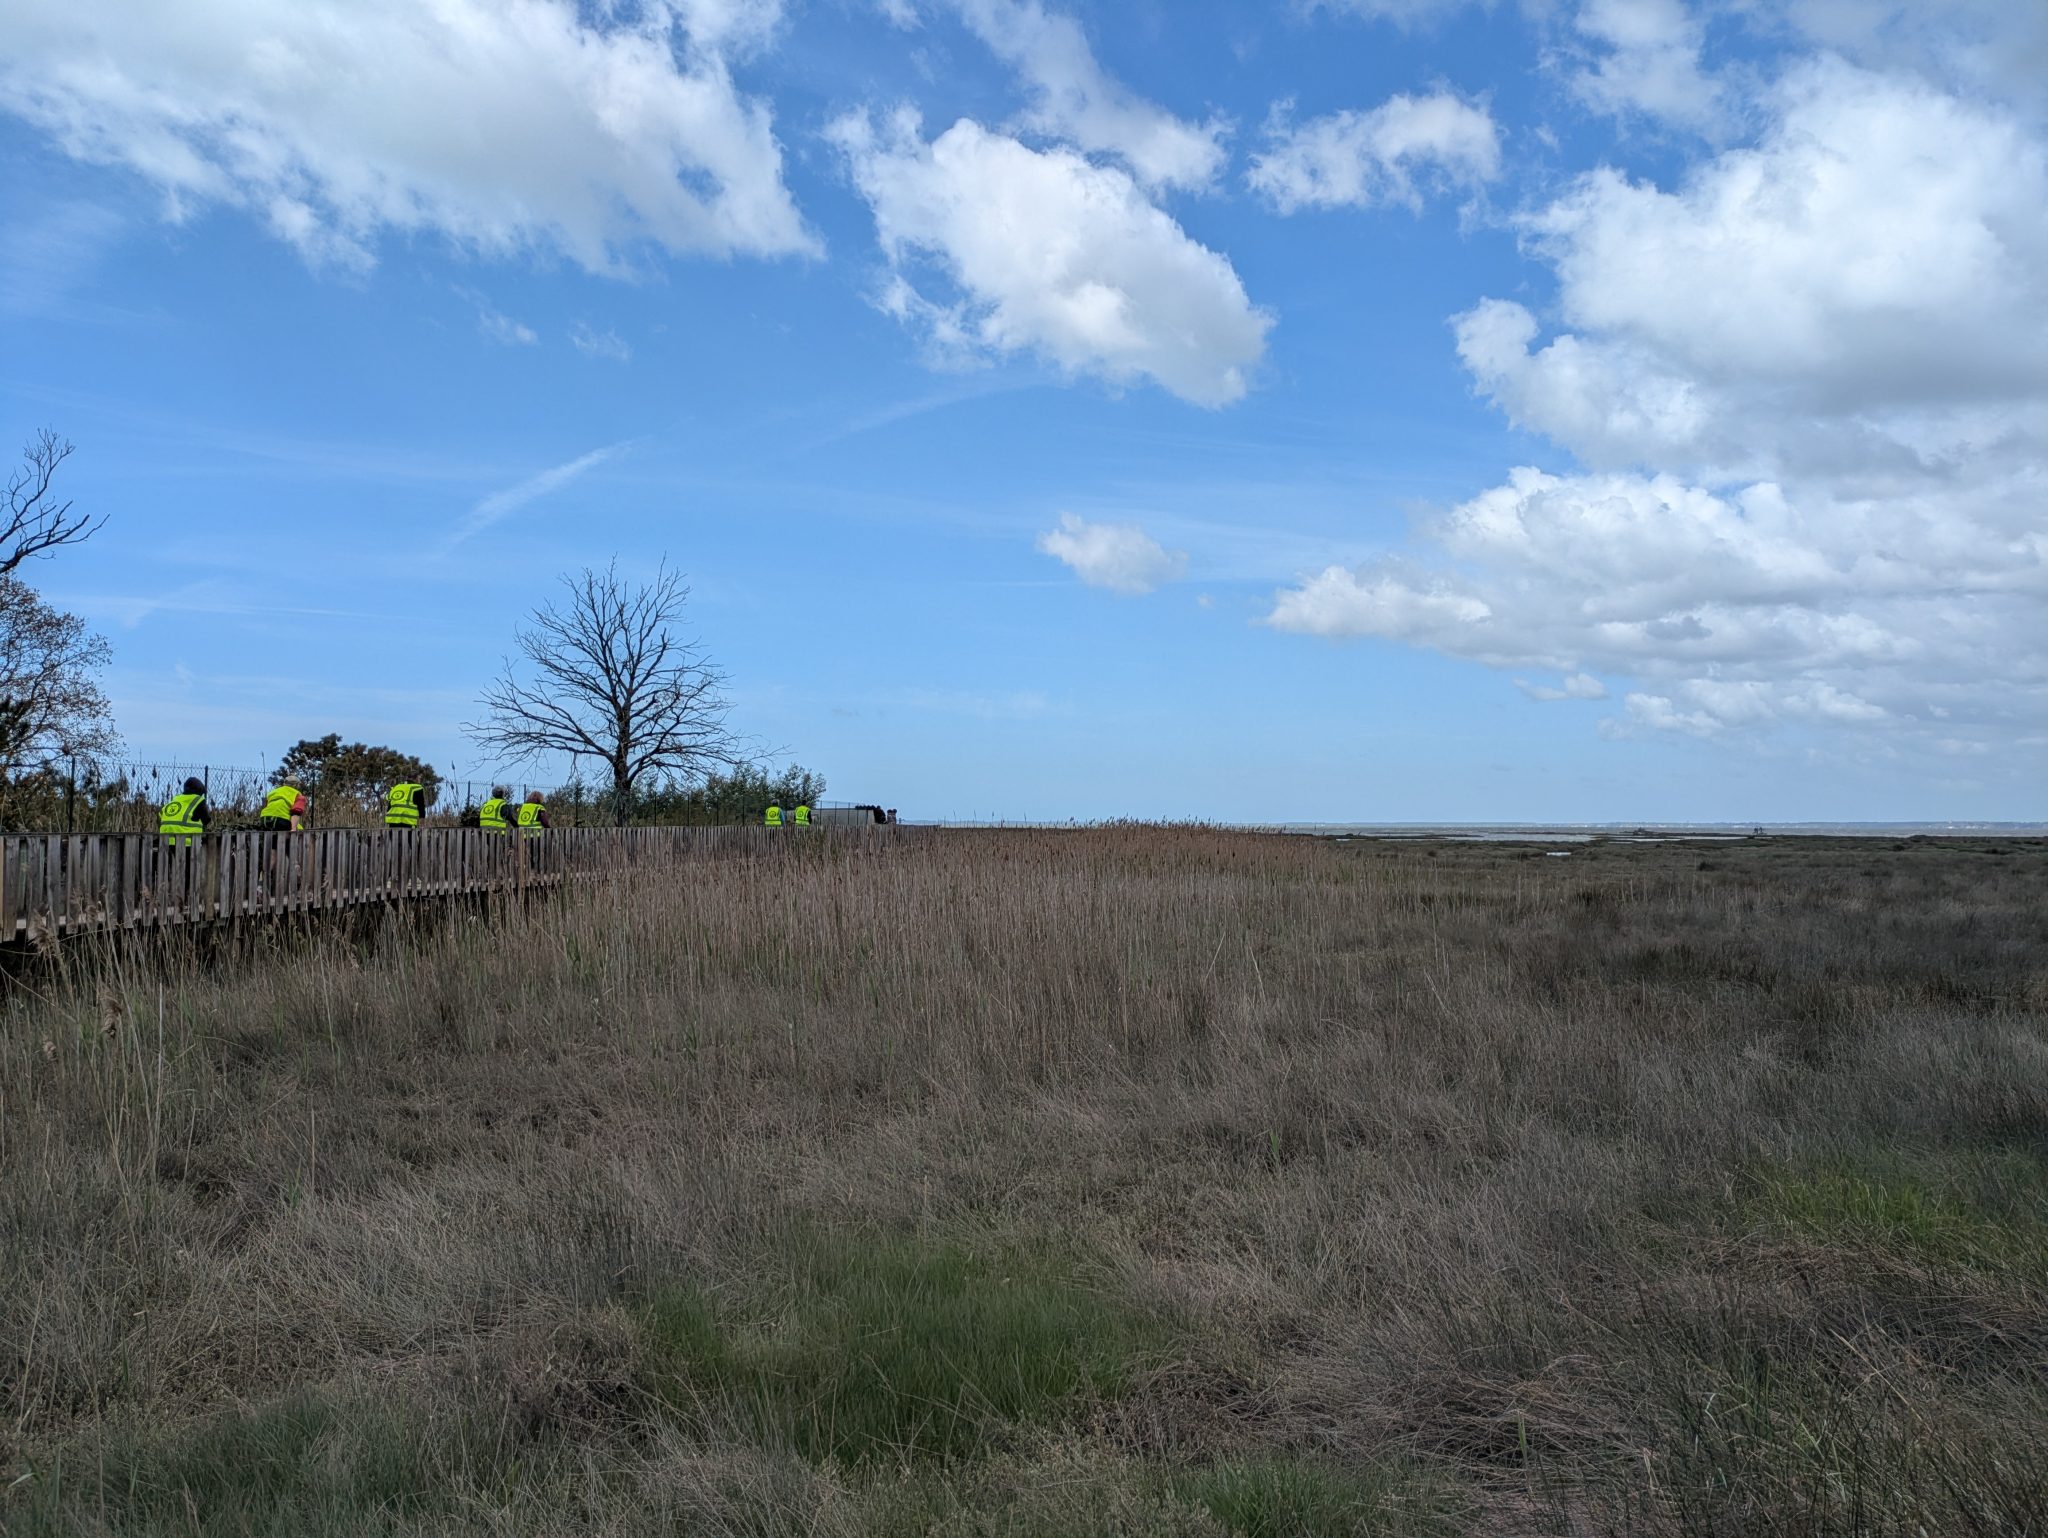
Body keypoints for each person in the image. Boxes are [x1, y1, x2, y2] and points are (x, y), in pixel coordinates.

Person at [159, 776, 209, 845]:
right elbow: (206, 820)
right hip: (188, 844)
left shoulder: (175, 800)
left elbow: (160, 816)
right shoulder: (198, 801)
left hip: (165, 843)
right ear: (200, 791)